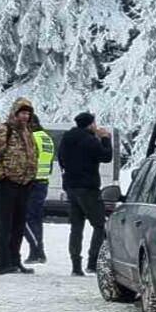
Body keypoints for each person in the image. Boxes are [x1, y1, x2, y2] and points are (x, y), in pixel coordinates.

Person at [57, 111, 113, 276]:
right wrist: (105, 138)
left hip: (71, 186)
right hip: (88, 188)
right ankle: (93, 261)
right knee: (99, 224)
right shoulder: (90, 140)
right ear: (90, 124)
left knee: (76, 226)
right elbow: (106, 156)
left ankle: (75, 265)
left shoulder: (67, 138)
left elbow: (61, 159)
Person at [0, 97, 38, 275]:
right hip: (7, 183)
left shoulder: (28, 132)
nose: (25, 116)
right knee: (5, 224)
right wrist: (2, 174)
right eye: (22, 113)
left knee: (19, 224)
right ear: (15, 113)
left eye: (27, 113)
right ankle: (3, 262)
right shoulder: (3, 130)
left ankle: (15, 260)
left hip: (25, 184)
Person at [24, 113, 55, 264]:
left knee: (25, 218)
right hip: (43, 181)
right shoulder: (46, 137)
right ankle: (38, 250)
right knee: (36, 219)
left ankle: (36, 249)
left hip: (32, 181)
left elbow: (28, 160)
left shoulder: (31, 138)